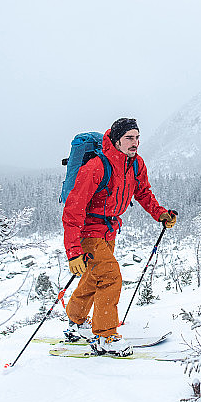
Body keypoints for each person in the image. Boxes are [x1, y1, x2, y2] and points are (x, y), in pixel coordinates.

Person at [62, 118, 176, 356]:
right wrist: (74, 252)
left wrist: (160, 213)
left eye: (137, 137)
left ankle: (76, 323)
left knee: (95, 277)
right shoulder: (97, 166)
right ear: (116, 140)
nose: (135, 143)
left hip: (109, 230)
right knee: (111, 277)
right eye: (129, 138)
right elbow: (73, 209)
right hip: (89, 230)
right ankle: (105, 337)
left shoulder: (136, 164)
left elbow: (143, 193)